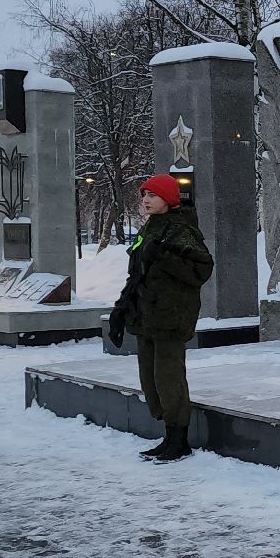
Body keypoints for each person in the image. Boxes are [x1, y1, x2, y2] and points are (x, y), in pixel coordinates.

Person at [109, 174, 215, 464]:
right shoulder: (150, 228)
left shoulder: (182, 230)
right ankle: (168, 435)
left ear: (168, 199)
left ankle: (178, 439)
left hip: (170, 316)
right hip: (146, 315)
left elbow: (201, 271)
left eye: (152, 195)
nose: (145, 200)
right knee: (150, 379)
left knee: (169, 378)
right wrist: (120, 310)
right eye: (144, 195)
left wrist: (165, 256)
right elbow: (137, 275)